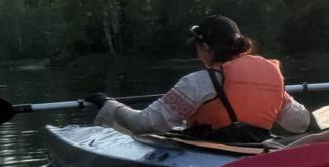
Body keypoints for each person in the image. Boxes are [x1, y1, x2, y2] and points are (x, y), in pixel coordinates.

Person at [87, 14, 310, 143]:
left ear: (206, 48)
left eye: (197, 47)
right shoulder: (271, 79)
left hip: (213, 155)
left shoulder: (197, 83)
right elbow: (299, 123)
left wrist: (110, 106)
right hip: (257, 149)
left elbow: (146, 124)